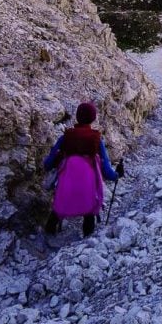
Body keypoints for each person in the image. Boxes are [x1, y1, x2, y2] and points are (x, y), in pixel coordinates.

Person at [43, 101, 124, 237]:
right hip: (88, 187)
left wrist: (52, 161)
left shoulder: (66, 137)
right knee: (89, 212)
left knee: (58, 209)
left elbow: (48, 163)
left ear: (77, 116)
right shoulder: (97, 140)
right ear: (93, 118)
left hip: (65, 186)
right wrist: (117, 175)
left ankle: (48, 236)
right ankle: (87, 239)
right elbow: (106, 170)